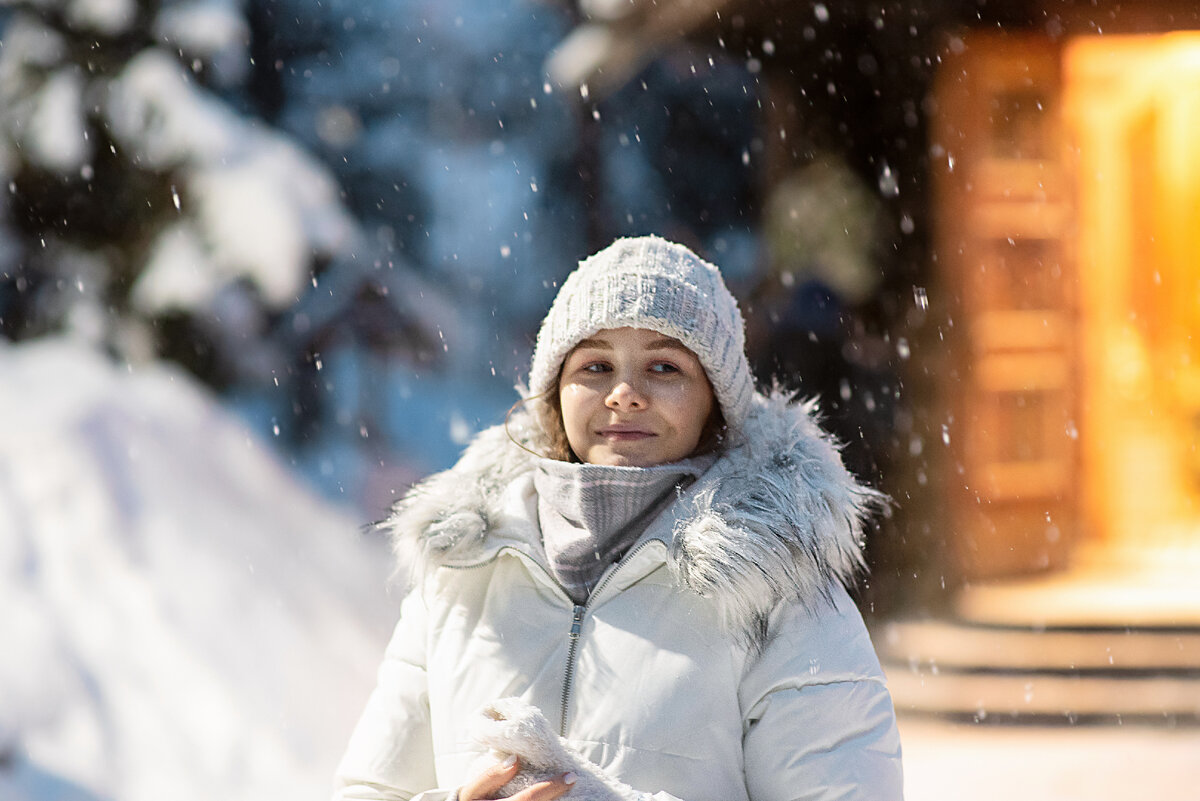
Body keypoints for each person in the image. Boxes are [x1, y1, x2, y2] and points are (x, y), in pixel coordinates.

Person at [333, 235, 903, 801]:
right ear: (554, 392)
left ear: (716, 400)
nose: (625, 393)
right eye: (596, 365)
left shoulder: (779, 588)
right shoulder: (460, 571)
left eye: (663, 365)